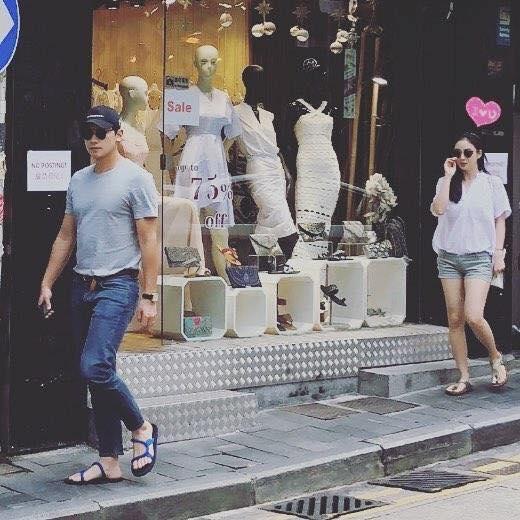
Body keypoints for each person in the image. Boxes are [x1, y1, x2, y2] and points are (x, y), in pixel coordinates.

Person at [38, 106, 160, 484]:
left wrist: (149, 295)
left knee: (95, 366)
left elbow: (149, 240)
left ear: (117, 135)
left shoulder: (136, 179)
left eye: (100, 132)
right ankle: (109, 460)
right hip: (82, 285)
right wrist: (47, 282)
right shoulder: (79, 180)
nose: (92, 139)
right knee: (98, 373)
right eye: (87, 133)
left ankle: (141, 428)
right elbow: (65, 235)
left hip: (118, 285)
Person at [431, 131, 511, 396]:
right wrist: (448, 177)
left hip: (479, 258)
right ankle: (464, 376)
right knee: (455, 319)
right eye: (457, 153)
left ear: (479, 154)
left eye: (467, 152)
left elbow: (500, 220)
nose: (462, 157)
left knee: (473, 315)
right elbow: (439, 209)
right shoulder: (445, 182)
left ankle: (495, 357)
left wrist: (498, 254)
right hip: (449, 258)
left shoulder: (491, 184)